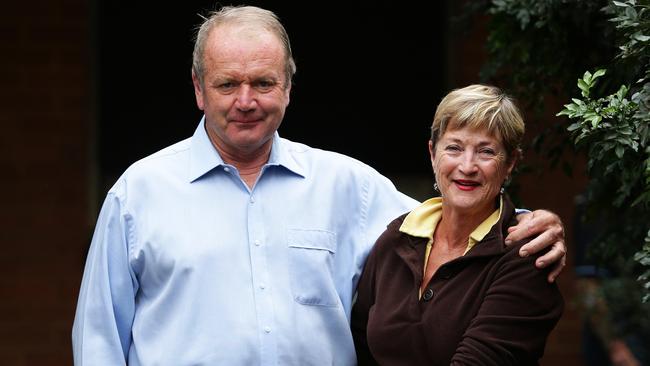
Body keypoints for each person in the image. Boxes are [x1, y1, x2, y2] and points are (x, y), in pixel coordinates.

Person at [72, 6, 566, 365]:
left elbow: (456, 221)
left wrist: (530, 223)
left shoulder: (347, 185)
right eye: (227, 84)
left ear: (288, 87)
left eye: (263, 83)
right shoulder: (139, 192)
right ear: (199, 89)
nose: (246, 100)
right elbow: (98, 337)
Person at [351, 84, 564, 365]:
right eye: (454, 148)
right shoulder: (396, 239)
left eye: (486, 152)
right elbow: (360, 344)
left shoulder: (526, 254)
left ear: (510, 163)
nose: (467, 166)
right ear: (432, 153)